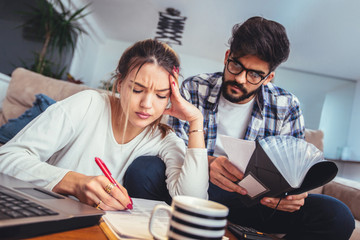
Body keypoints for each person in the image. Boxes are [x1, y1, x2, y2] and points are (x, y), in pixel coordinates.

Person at [127, 17, 355, 239]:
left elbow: (296, 171)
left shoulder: (287, 106)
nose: (242, 79)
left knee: (337, 215)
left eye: (255, 74)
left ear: (269, 78)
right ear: (227, 56)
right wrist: (208, 163)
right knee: (144, 169)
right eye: (236, 65)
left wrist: (293, 195)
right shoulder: (194, 87)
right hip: (199, 189)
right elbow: (173, 147)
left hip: (257, 203)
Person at [0, 39, 208, 211]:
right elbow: (6, 158)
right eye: (137, 90)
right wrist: (74, 182)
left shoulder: (163, 139)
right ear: (120, 84)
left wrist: (195, 121)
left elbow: (192, 199)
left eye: (161, 95)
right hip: (42, 212)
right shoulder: (88, 104)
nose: (146, 104)